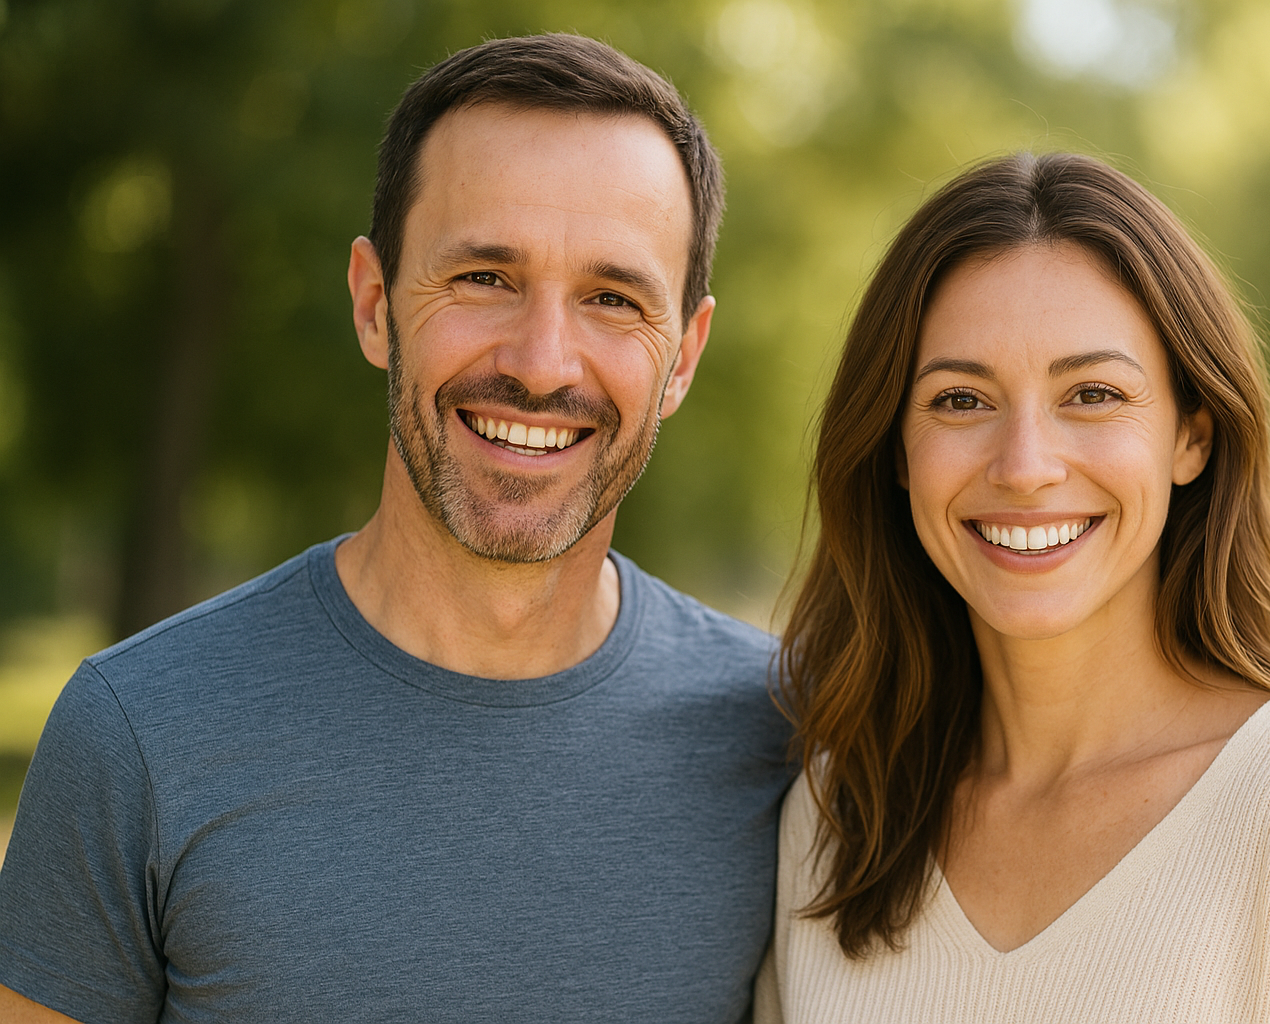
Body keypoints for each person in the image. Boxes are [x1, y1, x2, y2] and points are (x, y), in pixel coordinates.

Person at [0, 34, 792, 1024]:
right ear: (376, 305)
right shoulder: (137, 734)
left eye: (612, 298)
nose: (544, 363)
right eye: (484, 278)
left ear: (682, 358)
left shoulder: (791, 742)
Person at [755, 152, 1270, 1022]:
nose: (1024, 467)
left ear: (1192, 438)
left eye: (1092, 394)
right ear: (896, 454)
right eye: (959, 401)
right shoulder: (837, 815)